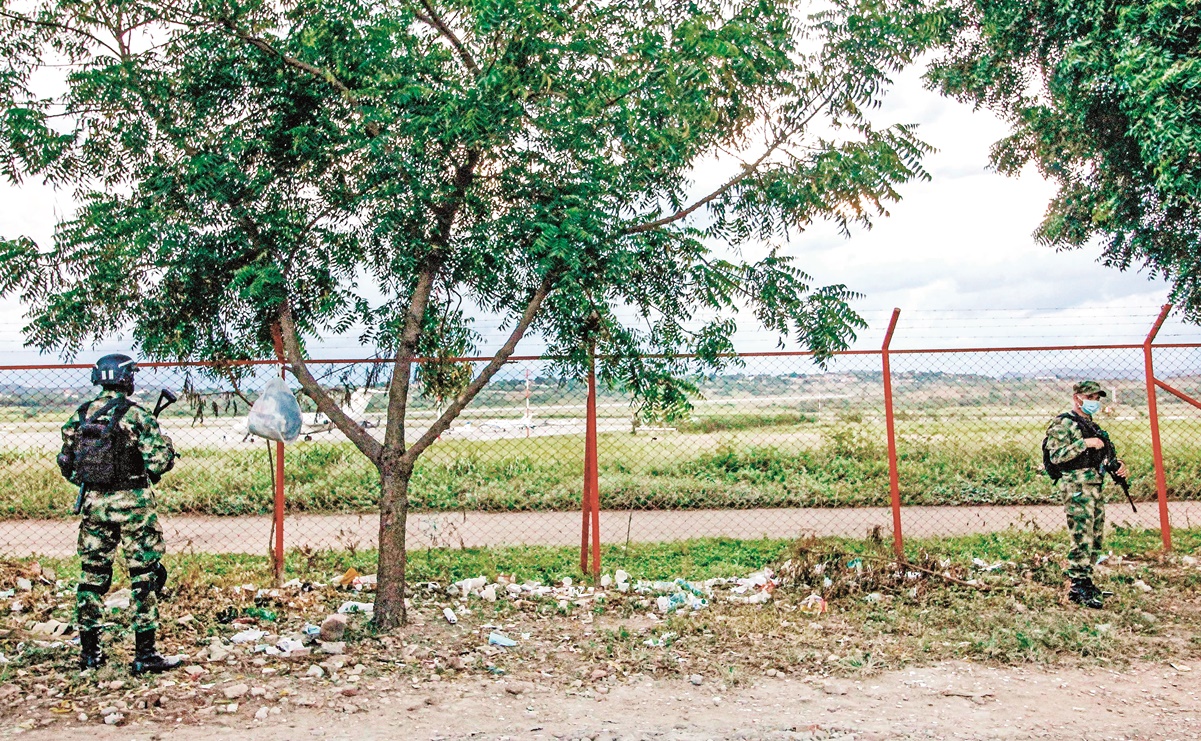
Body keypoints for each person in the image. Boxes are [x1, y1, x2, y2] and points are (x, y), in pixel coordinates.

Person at [57, 353, 180, 673]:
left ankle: (89, 656)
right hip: (135, 508)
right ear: (127, 379)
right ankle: (145, 654)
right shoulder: (138, 416)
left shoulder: (81, 415)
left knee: (92, 579)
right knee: (144, 577)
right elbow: (158, 464)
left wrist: (98, 484)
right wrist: (166, 446)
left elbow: (69, 467)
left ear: (99, 378)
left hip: (95, 507)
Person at [1043, 380, 1128, 609]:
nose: (1094, 402)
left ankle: (1086, 580)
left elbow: (1104, 456)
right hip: (1076, 487)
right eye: (1090, 397)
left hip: (1094, 485)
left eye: (1097, 398)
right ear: (1077, 397)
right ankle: (1077, 585)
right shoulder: (1064, 424)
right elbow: (1056, 456)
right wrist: (1084, 444)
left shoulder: (1091, 425)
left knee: (1095, 535)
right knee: (1081, 535)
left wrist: (1117, 465)